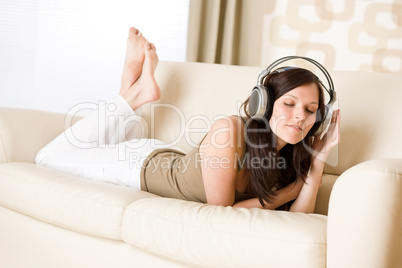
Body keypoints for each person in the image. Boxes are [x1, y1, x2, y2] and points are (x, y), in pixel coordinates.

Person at [36, 27, 340, 213]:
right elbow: (220, 212)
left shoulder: (292, 156)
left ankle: (132, 85)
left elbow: (300, 216)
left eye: (312, 109)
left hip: (163, 155)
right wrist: (283, 196)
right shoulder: (230, 130)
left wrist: (318, 159)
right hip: (135, 166)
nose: (301, 116)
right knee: (46, 157)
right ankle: (133, 94)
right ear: (265, 103)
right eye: (289, 103)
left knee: (107, 140)